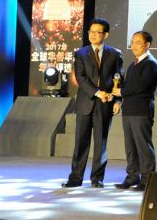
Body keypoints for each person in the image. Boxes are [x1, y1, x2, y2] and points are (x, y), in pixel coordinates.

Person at [62, 18, 123, 188]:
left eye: (98, 32)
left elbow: (119, 79)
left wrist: (118, 99)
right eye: (91, 32)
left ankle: (97, 179)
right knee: (80, 142)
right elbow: (80, 78)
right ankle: (75, 178)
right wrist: (98, 92)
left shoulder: (115, 54)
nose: (93, 35)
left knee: (100, 143)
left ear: (106, 34)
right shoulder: (81, 53)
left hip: (105, 104)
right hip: (85, 103)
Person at [112, 31, 157, 191]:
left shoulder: (151, 63)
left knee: (143, 147)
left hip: (141, 111)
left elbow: (141, 87)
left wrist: (121, 92)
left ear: (147, 45)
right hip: (129, 110)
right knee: (130, 146)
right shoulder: (134, 64)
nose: (133, 45)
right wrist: (118, 97)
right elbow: (125, 85)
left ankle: (147, 180)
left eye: (138, 42)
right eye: (132, 42)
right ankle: (132, 177)